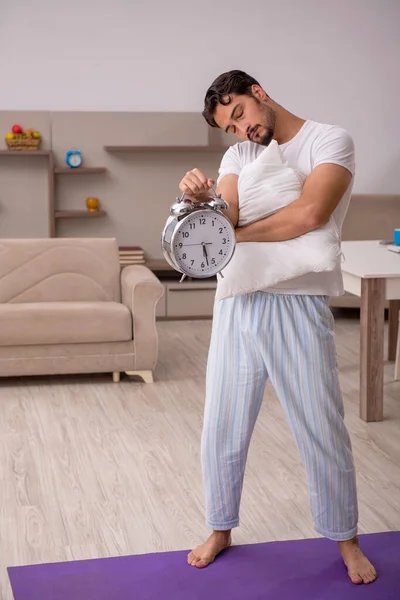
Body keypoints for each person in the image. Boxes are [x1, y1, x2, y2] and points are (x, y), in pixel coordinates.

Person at [178, 70, 377, 585]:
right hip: (238, 304)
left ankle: (346, 539)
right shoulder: (237, 158)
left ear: (258, 94)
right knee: (221, 425)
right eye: (230, 127)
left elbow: (310, 214)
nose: (241, 130)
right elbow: (224, 214)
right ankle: (220, 528)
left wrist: (235, 234)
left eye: (240, 114)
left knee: (321, 426)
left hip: (299, 303)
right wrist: (202, 201)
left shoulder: (329, 140)